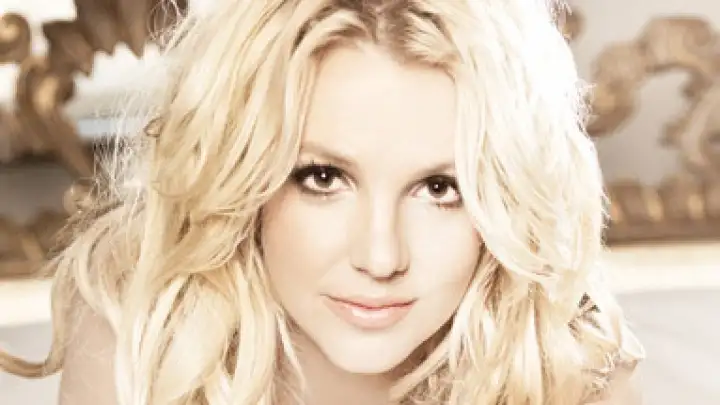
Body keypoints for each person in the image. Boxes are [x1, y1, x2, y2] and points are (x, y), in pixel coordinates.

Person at [0, 0, 645, 404]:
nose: (381, 257)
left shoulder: (568, 362)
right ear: (241, 175)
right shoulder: (142, 337)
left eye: (440, 189)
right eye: (323, 178)